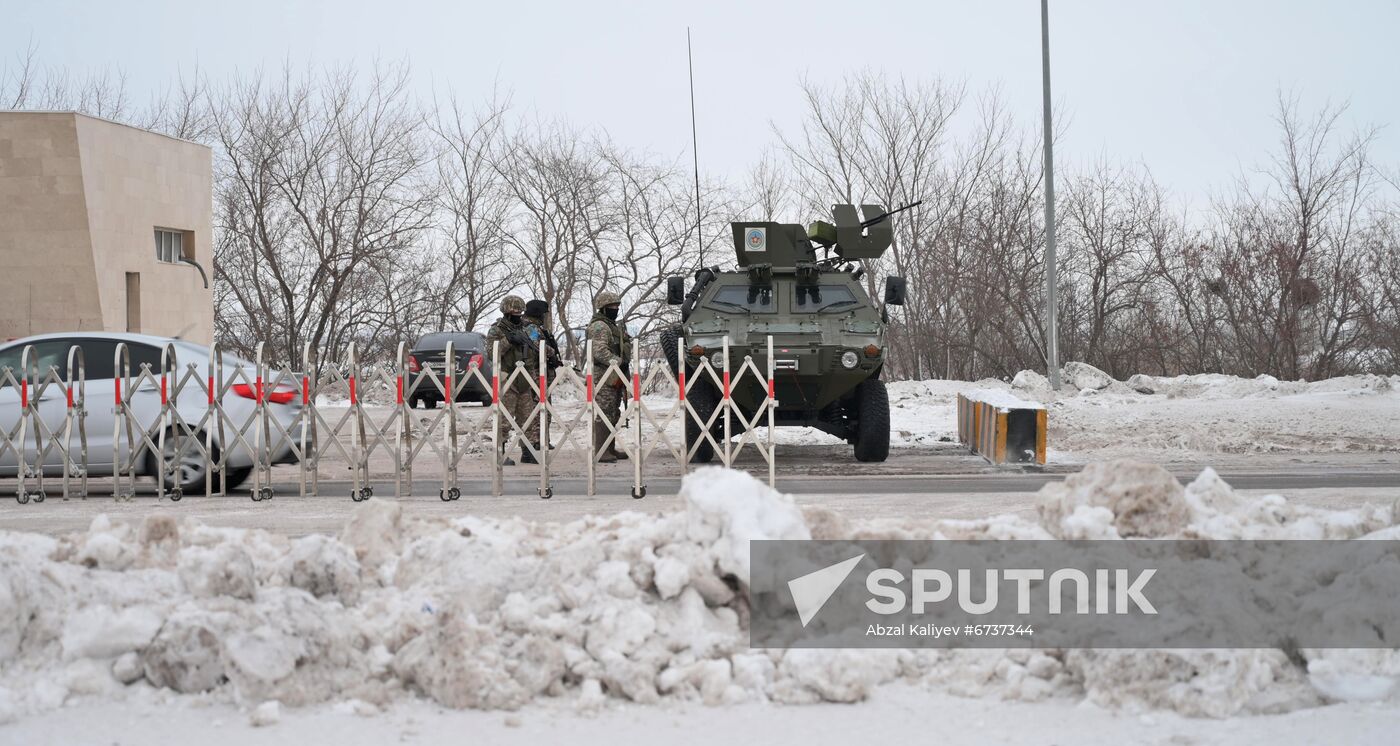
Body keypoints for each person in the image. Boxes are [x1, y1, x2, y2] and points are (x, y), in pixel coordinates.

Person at [485, 295, 539, 465]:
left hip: (526, 378)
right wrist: (508, 340)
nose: (518, 314)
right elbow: (491, 353)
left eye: (520, 311)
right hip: (506, 378)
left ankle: (528, 451)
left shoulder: (528, 328)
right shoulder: (497, 330)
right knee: (504, 419)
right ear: (506, 312)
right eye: (514, 311)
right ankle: (499, 453)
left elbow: (537, 347)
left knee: (528, 417)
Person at [587, 290, 631, 463]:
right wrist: (618, 361)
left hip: (614, 374)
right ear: (603, 308)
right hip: (604, 374)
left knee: (613, 411)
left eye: (617, 306)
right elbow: (599, 351)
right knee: (604, 411)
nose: (616, 309)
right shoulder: (599, 326)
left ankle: (609, 449)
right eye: (612, 306)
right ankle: (602, 451)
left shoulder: (612, 325)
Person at [524, 299, 561, 450]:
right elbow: (538, 345)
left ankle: (543, 439)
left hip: (543, 372)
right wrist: (551, 353)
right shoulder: (530, 328)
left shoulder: (538, 327)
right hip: (535, 373)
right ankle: (536, 441)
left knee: (545, 407)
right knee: (537, 408)